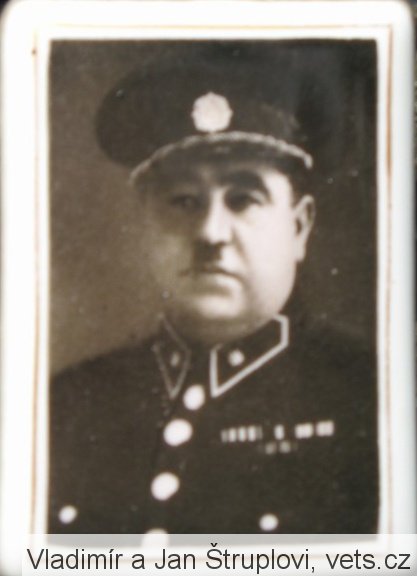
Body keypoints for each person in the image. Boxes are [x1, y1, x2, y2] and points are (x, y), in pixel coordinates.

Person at [48, 44, 378, 534]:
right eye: (184, 201)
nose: (210, 233)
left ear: (299, 227)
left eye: (243, 199)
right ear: (145, 226)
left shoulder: (369, 395)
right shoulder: (69, 404)